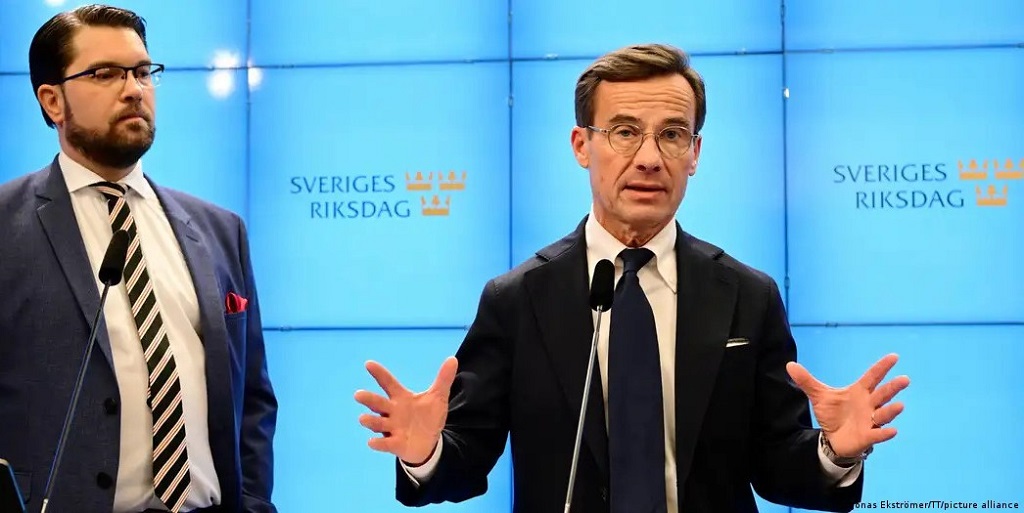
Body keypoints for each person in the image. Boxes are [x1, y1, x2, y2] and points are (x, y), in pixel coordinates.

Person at [355, 43, 910, 513]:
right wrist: (425, 451)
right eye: (624, 131)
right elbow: (466, 459)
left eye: (672, 134)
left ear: (694, 154)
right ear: (581, 146)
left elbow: (777, 468)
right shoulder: (520, 299)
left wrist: (836, 451)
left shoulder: (747, 295)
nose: (649, 158)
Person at [0, 5, 277, 513]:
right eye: (104, 74)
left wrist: (254, 503)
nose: (133, 89)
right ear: (52, 100)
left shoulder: (220, 231)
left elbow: (252, 402)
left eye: (143, 72)